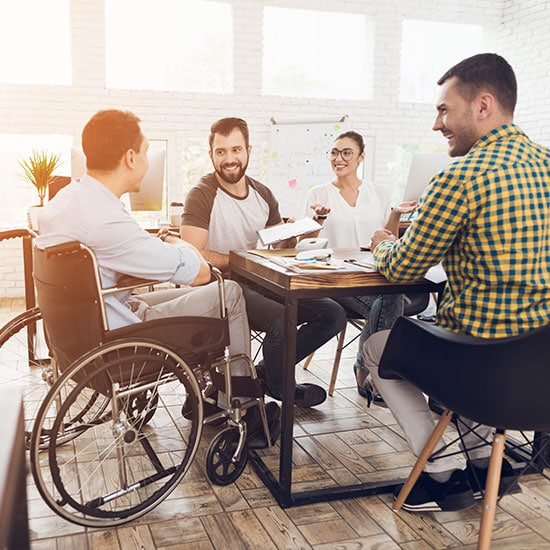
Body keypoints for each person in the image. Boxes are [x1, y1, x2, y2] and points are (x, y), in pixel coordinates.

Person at [363, 53, 550, 512]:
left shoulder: (461, 177)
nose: (436, 124)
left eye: (444, 110)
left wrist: (383, 242)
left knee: (377, 346)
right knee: (476, 342)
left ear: (482, 105)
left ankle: (442, 472)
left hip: (478, 368)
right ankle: (492, 468)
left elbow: (405, 267)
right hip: (539, 372)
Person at [35, 109, 279, 445]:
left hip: (86, 325)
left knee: (191, 296)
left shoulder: (69, 198)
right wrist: (171, 239)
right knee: (229, 292)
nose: (148, 160)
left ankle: (210, 395)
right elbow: (198, 272)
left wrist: (154, 248)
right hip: (120, 337)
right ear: (131, 158)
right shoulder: (107, 221)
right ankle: (244, 408)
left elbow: (119, 256)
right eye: (147, 150)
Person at [180, 117, 347, 407]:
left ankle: (269, 373)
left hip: (258, 280)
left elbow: (278, 249)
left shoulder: (263, 194)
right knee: (281, 320)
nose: (229, 159)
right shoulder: (202, 194)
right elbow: (191, 253)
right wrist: (241, 260)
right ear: (211, 155)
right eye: (221, 152)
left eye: (235, 150)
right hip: (219, 287)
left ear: (248, 150)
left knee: (332, 314)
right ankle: (284, 390)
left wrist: (295, 234)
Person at [304, 130, 417, 404]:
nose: (338, 158)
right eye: (334, 152)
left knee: (390, 296)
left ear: (361, 157)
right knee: (393, 301)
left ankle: (364, 366)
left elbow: (386, 238)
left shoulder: (378, 192)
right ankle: (373, 372)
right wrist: (317, 221)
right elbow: (305, 247)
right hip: (337, 280)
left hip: (374, 275)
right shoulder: (318, 194)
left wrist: (394, 215)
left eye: (346, 152)